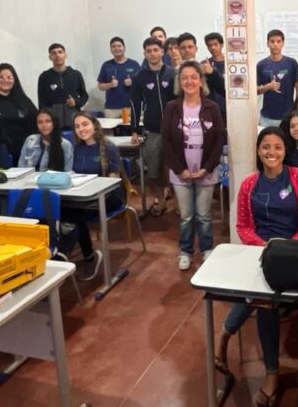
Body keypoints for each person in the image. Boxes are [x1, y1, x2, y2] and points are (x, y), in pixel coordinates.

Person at [216, 128, 298, 407]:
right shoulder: (249, 184)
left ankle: (228, 336)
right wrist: (263, 246)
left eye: (277, 147)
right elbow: (242, 226)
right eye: (265, 147)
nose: (271, 152)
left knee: (261, 296)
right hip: (259, 251)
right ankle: (268, 371)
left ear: (285, 151)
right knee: (262, 297)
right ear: (258, 150)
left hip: (295, 252)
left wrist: (286, 246)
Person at [162, 61, 225, 270]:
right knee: (187, 216)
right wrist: (181, 169)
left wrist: (207, 167)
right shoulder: (171, 108)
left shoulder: (212, 107)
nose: (189, 81)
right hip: (180, 172)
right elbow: (166, 142)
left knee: (204, 215)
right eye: (184, 78)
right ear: (179, 83)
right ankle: (186, 251)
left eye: (193, 77)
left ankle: (207, 248)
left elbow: (218, 141)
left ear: (201, 81)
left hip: (206, 169)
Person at [62, 112, 127, 279]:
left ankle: (88, 254)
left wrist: (94, 192)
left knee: (76, 214)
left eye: (85, 124)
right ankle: (83, 253)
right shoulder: (76, 148)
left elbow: (114, 179)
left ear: (94, 125)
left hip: (110, 196)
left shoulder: (108, 146)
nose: (81, 129)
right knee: (62, 210)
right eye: (77, 126)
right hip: (84, 196)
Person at [131, 37, 177, 216]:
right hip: (153, 130)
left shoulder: (173, 73)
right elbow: (135, 104)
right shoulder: (139, 77)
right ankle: (161, 200)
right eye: (149, 51)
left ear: (162, 52)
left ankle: (179, 204)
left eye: (156, 50)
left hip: (175, 130)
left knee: (176, 169)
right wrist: (134, 130)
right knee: (152, 171)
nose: (152, 54)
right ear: (145, 54)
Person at [256, 29, 298, 127]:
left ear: (283, 43)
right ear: (267, 43)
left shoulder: (291, 63)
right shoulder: (261, 65)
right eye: (272, 41)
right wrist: (268, 86)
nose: (275, 44)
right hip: (267, 117)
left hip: (288, 116)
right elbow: (255, 90)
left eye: (278, 41)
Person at [37, 43, 89, 129]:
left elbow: (85, 96)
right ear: (50, 57)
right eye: (54, 53)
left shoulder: (76, 74)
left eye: (60, 52)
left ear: (65, 55)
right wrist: (46, 120)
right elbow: (42, 102)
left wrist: (76, 102)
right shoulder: (44, 77)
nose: (57, 55)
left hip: (74, 121)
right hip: (54, 123)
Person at [96, 37, 141, 119]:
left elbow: (142, 84)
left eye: (119, 46)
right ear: (111, 49)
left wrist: (133, 82)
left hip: (131, 107)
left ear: (124, 48)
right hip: (111, 109)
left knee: (132, 131)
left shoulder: (134, 64)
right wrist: (110, 84)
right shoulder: (106, 65)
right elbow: (100, 86)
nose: (117, 48)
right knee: (111, 132)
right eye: (113, 46)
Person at [202, 32, 227, 117]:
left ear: (222, 45)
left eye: (215, 44)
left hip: (228, 107)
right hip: (211, 109)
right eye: (210, 45)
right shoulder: (204, 65)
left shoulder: (230, 64)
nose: (213, 47)